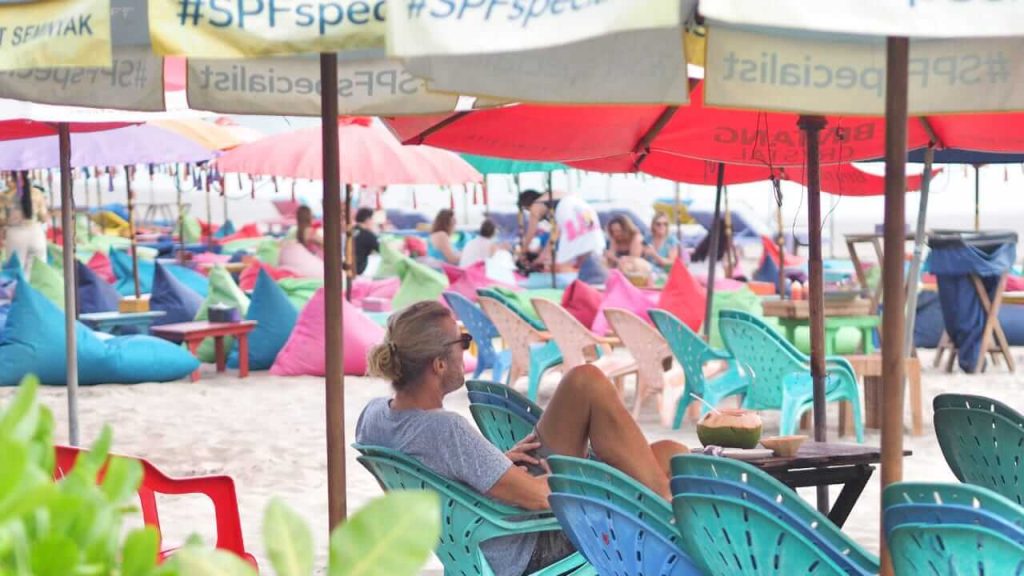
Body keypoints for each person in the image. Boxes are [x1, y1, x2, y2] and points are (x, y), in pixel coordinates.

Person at [357, 301, 687, 576]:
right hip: (524, 545)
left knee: (665, 450)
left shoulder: (373, 417)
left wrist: (494, 465)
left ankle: (667, 503)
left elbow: (443, 470)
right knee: (594, 389)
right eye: (463, 340)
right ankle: (676, 520)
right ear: (440, 364)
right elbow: (543, 499)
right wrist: (605, 481)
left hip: (478, 532)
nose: (466, 347)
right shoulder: (446, 430)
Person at [518, 190, 607, 285]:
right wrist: (542, 257)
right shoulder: (556, 199)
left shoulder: (536, 205)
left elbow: (531, 233)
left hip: (574, 216)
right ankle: (597, 279)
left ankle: (590, 282)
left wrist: (523, 252)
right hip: (586, 211)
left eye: (527, 210)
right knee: (589, 247)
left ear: (526, 204)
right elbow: (553, 236)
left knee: (579, 250)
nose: (529, 213)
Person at [0, 171, 48, 275]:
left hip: (15, 235)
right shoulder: (37, 193)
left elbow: (1, 219)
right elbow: (44, 218)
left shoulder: (4, 196)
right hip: (36, 234)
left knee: (16, 273)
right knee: (39, 273)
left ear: (11, 177)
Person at [352, 207, 380, 276]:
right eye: (372, 219)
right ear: (368, 220)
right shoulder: (368, 235)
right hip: (359, 271)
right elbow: (381, 250)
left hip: (348, 268)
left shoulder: (351, 231)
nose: (373, 222)